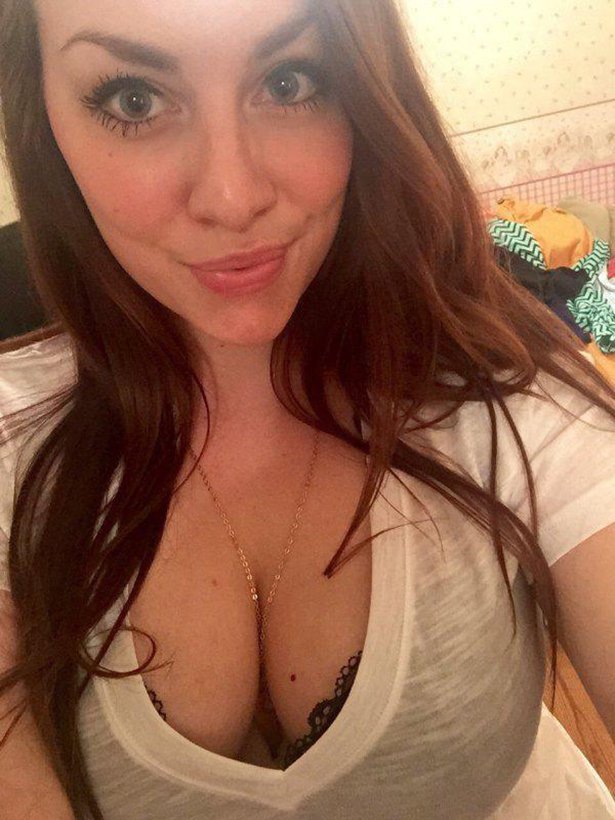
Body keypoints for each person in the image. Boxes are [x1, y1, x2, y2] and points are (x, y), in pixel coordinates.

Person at [0, 0, 613, 818]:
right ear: (41, 118)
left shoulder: (512, 397)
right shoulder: (12, 437)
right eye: (134, 99)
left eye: (289, 81)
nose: (232, 197)